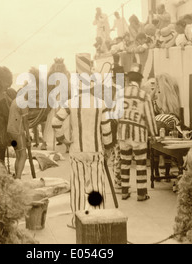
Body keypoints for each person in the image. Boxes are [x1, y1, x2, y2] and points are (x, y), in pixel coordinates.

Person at [51, 78, 115, 228]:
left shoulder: (70, 103)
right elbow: (106, 128)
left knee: (78, 186)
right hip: (95, 151)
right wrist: (107, 147)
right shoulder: (101, 103)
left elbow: (55, 122)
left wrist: (63, 140)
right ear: (92, 88)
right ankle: (97, 219)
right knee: (97, 185)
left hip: (77, 151)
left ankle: (77, 221)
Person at [117, 63, 157, 201]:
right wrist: (154, 134)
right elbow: (150, 116)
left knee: (125, 163)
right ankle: (141, 194)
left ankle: (124, 191)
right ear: (139, 81)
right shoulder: (144, 95)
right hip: (139, 134)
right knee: (140, 164)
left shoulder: (120, 93)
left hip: (123, 133)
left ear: (128, 81)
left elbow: (114, 114)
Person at [7, 92, 31, 179]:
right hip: (18, 132)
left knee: (18, 155)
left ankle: (17, 176)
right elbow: (25, 122)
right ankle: (18, 178)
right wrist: (28, 136)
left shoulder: (15, 100)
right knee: (24, 155)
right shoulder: (24, 103)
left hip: (10, 131)